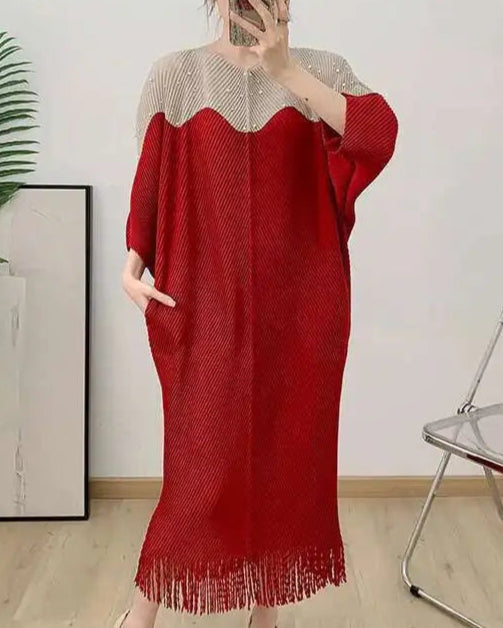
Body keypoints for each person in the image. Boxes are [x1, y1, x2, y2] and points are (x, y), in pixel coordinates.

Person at [118, 1, 398, 627]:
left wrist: (287, 71)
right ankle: (139, 616)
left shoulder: (324, 71)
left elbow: (378, 135)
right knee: (199, 471)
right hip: (204, 305)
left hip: (302, 310)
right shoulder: (176, 75)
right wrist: (132, 262)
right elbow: (151, 178)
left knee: (283, 463)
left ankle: (264, 615)